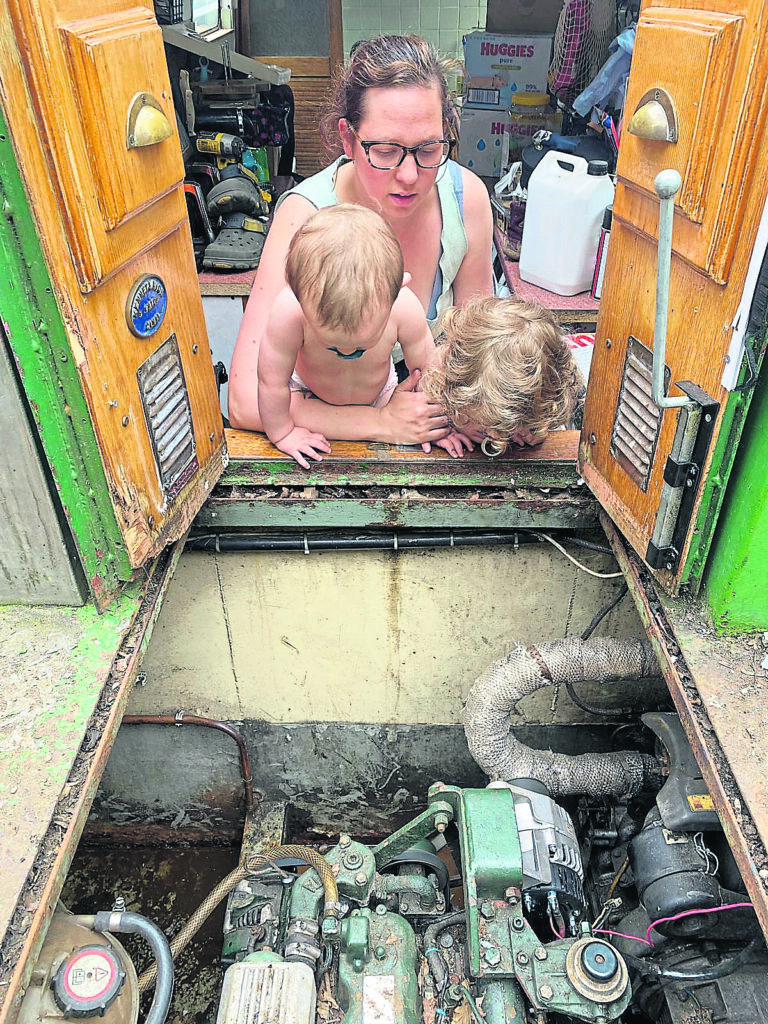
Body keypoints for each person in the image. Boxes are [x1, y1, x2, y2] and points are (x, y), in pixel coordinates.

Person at [228, 34, 494, 448]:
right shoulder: (305, 217)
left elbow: (479, 357)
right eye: (386, 150)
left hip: (431, 431)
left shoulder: (466, 200)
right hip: (329, 449)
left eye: (428, 148)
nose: (409, 175)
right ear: (349, 140)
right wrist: (382, 424)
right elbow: (245, 399)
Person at [259, 204, 469, 468]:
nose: (347, 352)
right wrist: (283, 433)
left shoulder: (404, 307)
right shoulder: (288, 312)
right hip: (307, 389)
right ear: (299, 295)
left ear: (396, 291)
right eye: (333, 346)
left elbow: (428, 372)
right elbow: (271, 383)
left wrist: (436, 424)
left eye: (361, 347)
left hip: (381, 392)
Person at [420, 296, 586, 456]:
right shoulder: (438, 373)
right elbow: (420, 413)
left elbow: (559, 404)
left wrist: (538, 427)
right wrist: (439, 431)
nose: (495, 436)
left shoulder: (546, 391)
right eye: (483, 425)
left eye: (505, 427)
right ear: (455, 392)